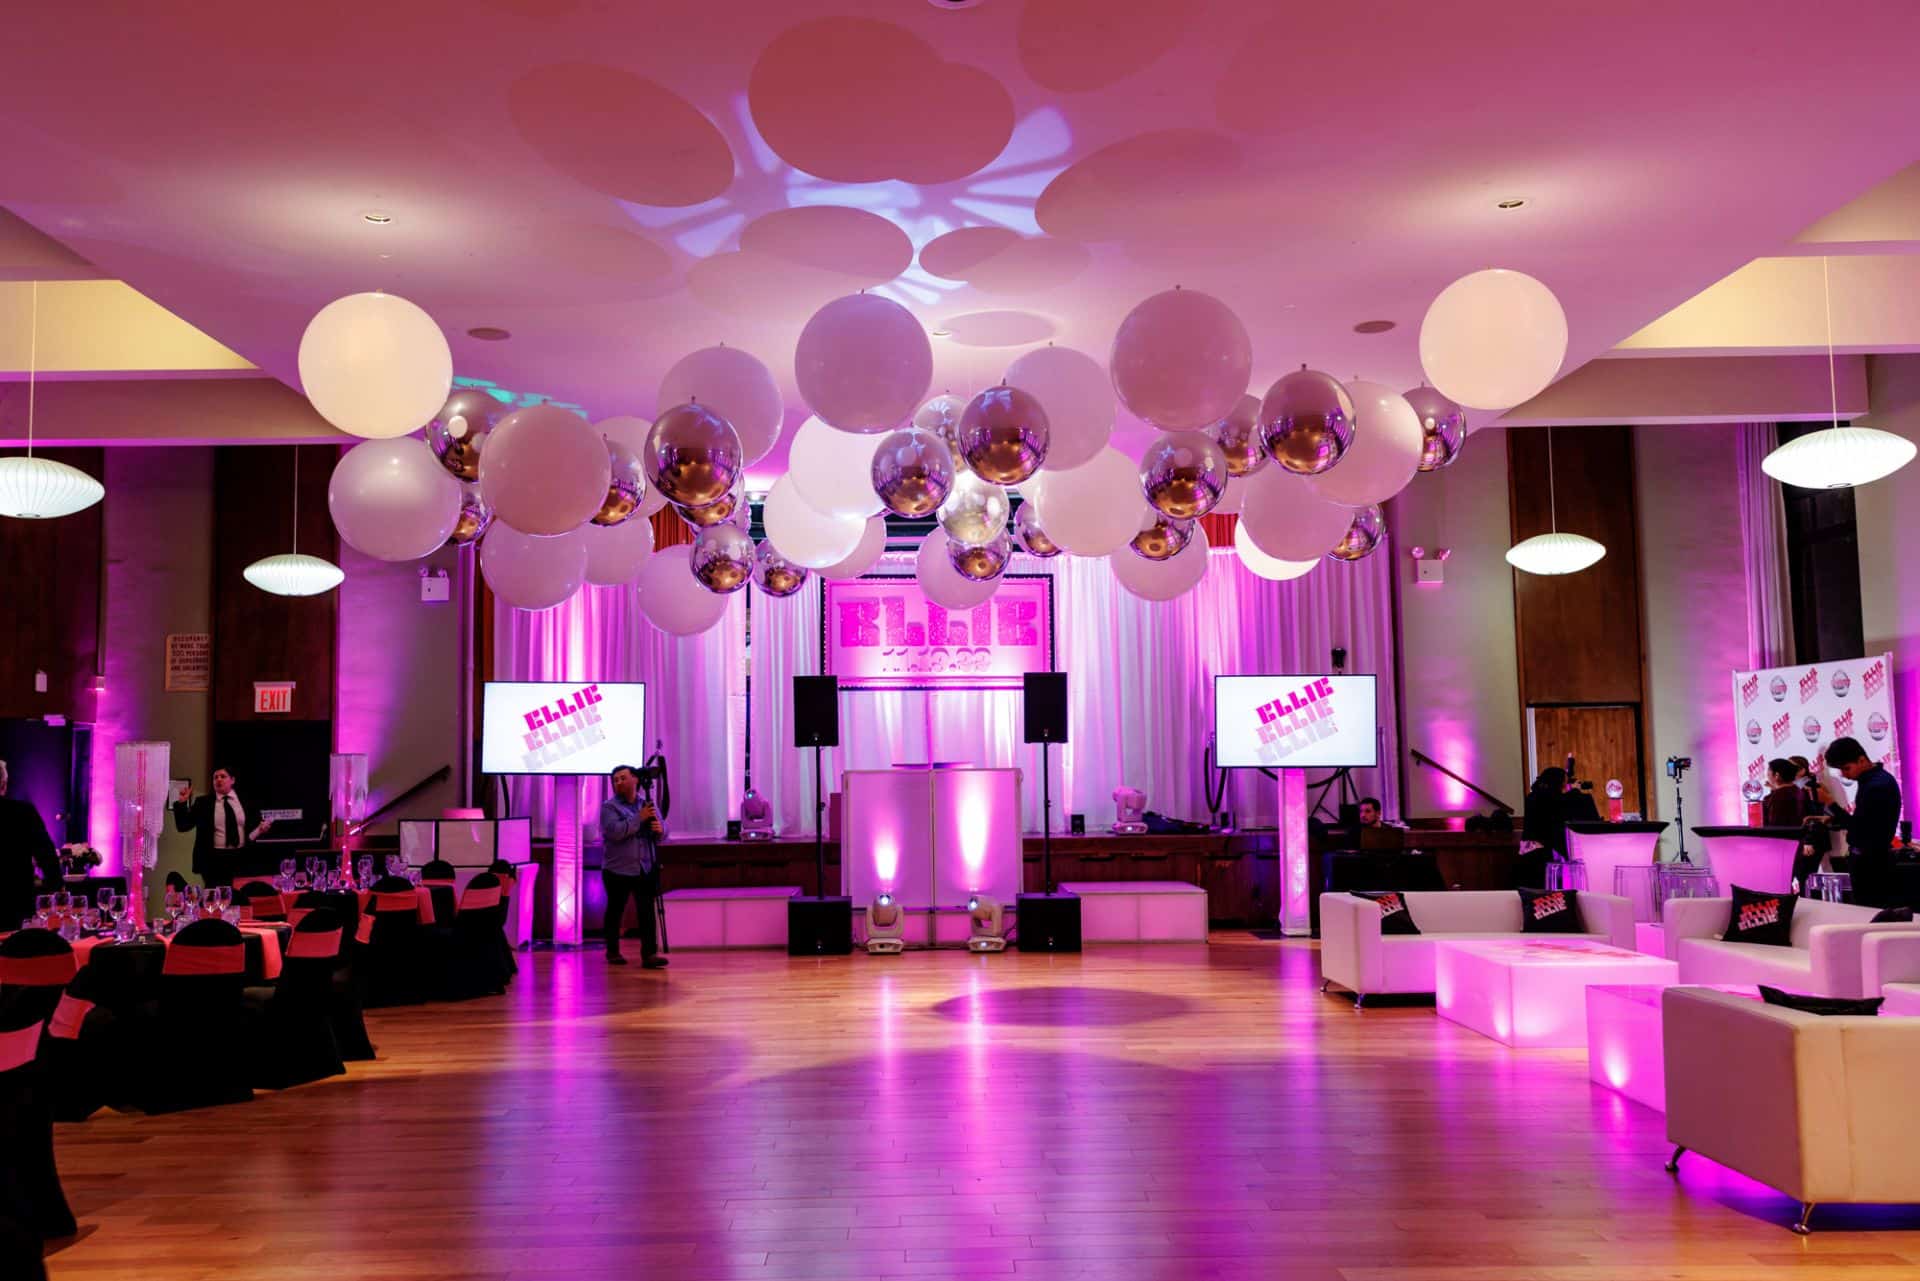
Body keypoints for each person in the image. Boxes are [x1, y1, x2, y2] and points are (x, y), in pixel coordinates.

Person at [1819, 736, 1902, 908]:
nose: (1844, 774)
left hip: (1871, 864)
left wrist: (1830, 803)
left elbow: (1860, 829)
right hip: (1871, 860)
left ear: (1862, 760)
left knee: (1870, 911)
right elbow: (1864, 821)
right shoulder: (1874, 781)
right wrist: (1834, 817)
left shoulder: (1876, 786)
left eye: (1846, 768)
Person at [599, 764, 665, 968]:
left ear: (635, 780)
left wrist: (660, 830)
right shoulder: (609, 807)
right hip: (617, 869)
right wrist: (639, 818)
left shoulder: (647, 804)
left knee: (646, 911)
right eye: (615, 780)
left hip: (644, 866)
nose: (618, 782)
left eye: (623, 778)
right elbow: (615, 832)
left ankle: (649, 954)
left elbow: (663, 831)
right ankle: (612, 951)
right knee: (615, 910)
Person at [172, 767, 272, 888]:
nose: (218, 779)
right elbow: (183, 826)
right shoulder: (203, 803)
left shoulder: (246, 802)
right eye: (215, 777)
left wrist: (260, 830)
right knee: (214, 895)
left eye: (223, 776)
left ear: (232, 780)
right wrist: (182, 803)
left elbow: (251, 833)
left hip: (240, 856)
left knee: (237, 894)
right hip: (213, 860)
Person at [0, 760, 61, 931]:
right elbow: (47, 855)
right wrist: (56, 889)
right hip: (16, 903)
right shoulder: (23, 812)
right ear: (3, 785)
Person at [1762, 757, 1814, 827]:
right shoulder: (1798, 790)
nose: (1767, 777)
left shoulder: (1779, 795)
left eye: (1768, 774)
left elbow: (1775, 825)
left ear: (1777, 775)